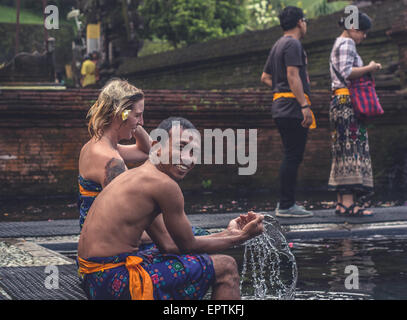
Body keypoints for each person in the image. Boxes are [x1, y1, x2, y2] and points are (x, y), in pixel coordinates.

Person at [77, 117, 264, 300]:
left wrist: (228, 233)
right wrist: (241, 237)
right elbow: (186, 246)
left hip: (93, 277)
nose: (187, 159)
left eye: (193, 152)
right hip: (112, 281)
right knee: (226, 266)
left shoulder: (140, 174)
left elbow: (168, 245)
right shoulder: (164, 185)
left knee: (201, 253)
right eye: (181, 147)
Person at [261, 6, 314, 218]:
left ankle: (287, 203)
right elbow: (293, 75)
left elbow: (264, 77)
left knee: (290, 155)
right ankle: (286, 205)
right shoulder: (292, 43)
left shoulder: (278, 44)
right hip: (293, 108)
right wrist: (304, 105)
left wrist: (281, 88)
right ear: (300, 22)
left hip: (280, 106)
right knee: (293, 155)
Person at [78, 78, 151, 230]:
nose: (142, 122)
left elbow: (147, 151)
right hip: (106, 244)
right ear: (119, 114)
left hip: (94, 234)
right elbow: (128, 219)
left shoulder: (94, 146)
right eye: (138, 115)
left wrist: (132, 121)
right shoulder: (110, 159)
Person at [328, 12, 381, 216]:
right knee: (351, 149)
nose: (363, 36)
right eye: (362, 32)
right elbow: (348, 72)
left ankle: (343, 203)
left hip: (339, 101)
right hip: (347, 104)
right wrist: (370, 67)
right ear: (352, 29)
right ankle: (350, 204)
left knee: (342, 149)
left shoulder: (338, 43)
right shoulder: (347, 43)